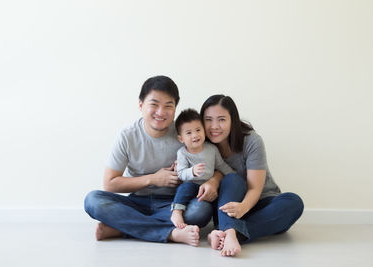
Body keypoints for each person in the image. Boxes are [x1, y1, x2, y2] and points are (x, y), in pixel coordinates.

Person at [84, 76, 221, 246]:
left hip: (173, 205)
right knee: (93, 200)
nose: (161, 112)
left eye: (168, 106)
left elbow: (216, 164)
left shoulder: (186, 133)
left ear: (175, 108)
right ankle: (171, 233)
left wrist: (213, 182)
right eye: (154, 104)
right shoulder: (128, 135)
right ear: (141, 105)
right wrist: (153, 179)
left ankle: (121, 228)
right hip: (136, 202)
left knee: (201, 211)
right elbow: (110, 183)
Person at [200, 95, 304, 257]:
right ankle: (231, 231)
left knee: (294, 202)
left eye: (221, 119)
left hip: (261, 202)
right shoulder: (200, 145)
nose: (214, 126)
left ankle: (228, 233)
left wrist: (244, 207)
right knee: (233, 179)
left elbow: (255, 188)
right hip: (227, 206)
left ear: (232, 120)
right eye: (208, 120)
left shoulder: (252, 141)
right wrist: (214, 179)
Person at [170, 109, 234, 229]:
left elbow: (221, 165)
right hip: (192, 185)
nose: (195, 135)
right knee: (185, 188)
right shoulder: (182, 153)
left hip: (210, 186)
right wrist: (192, 171)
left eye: (198, 130)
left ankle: (219, 225)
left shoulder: (212, 149)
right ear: (181, 139)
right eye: (189, 133)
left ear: (204, 130)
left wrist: (233, 174)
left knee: (219, 199)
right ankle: (177, 211)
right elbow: (181, 173)